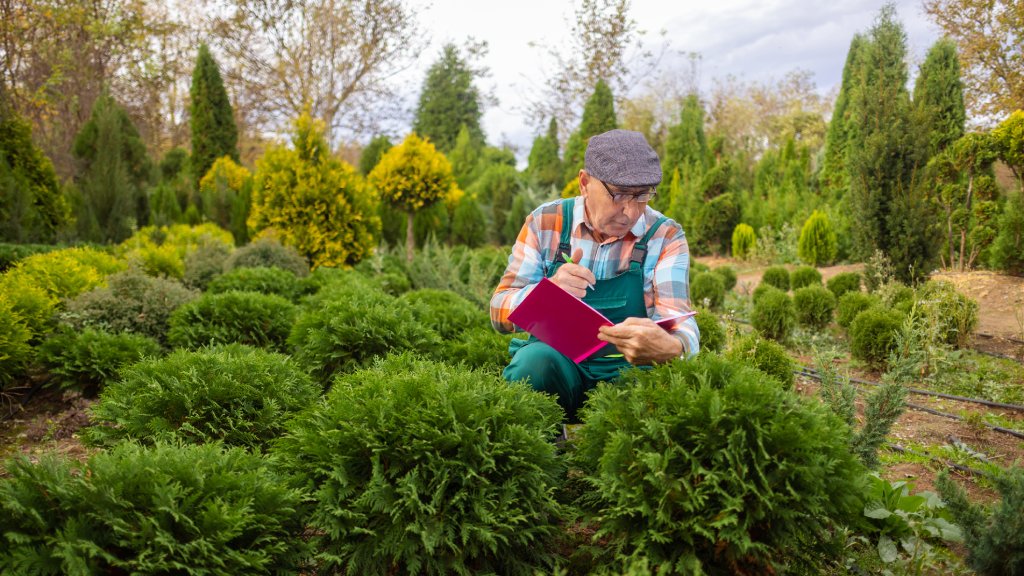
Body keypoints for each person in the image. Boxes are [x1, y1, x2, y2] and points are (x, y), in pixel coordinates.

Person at [490, 128, 700, 421]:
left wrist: (675, 347)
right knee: (533, 363)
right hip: (557, 365)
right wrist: (546, 293)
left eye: (642, 195)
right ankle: (540, 457)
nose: (629, 211)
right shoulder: (546, 222)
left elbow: (679, 320)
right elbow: (498, 311)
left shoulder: (665, 235)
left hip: (629, 369)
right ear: (585, 183)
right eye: (619, 194)